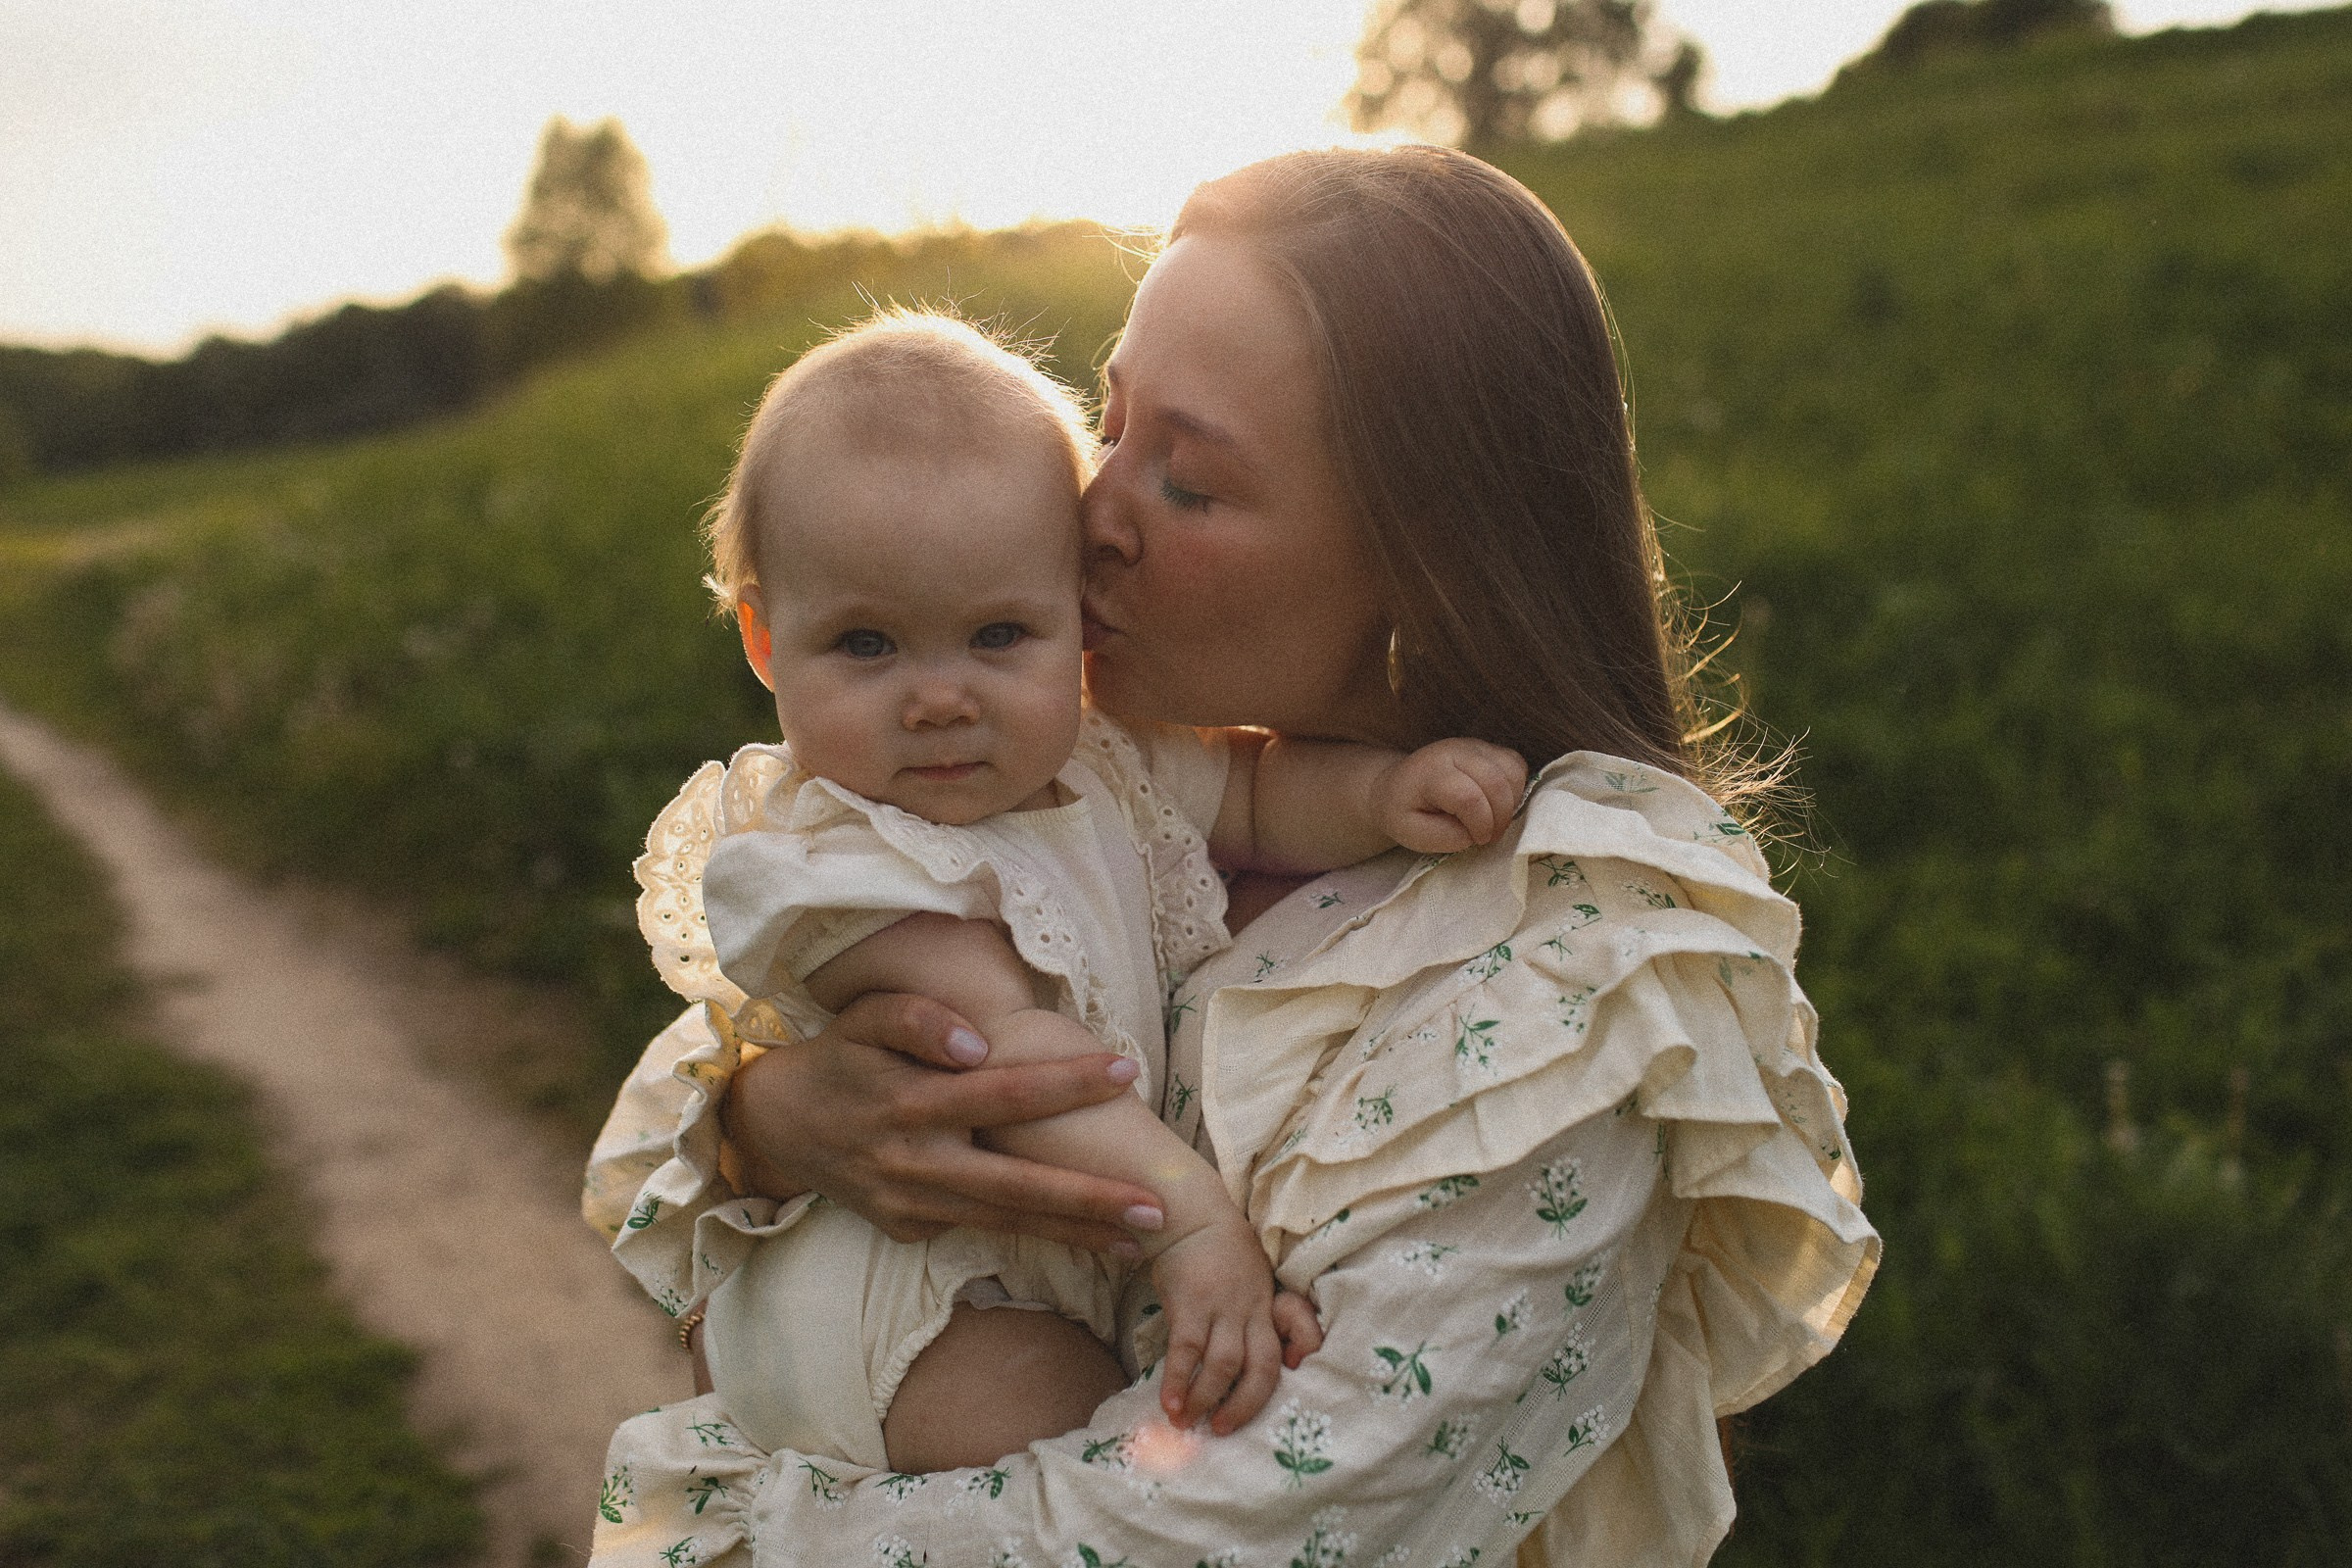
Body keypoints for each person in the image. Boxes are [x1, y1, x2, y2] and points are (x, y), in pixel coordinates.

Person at [585, 145, 1878, 1568]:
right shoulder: (1092, 791)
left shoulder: (1575, 986)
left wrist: (746, 1533)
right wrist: (774, 1118)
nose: (1093, 514)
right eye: (1112, 423)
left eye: (1186, 480)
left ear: (1429, 558)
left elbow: (1240, 1528)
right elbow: (692, 1107)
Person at [615, 309, 1528, 1482]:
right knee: (1086, 1434)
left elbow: (1250, 793)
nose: (940, 698)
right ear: (762, 640)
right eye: (865, 645)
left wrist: (1388, 791)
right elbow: (1012, 1058)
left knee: (1140, 1426)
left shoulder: (1101, 761)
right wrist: (1197, 1228)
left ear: (1077, 618)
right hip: (904, 1303)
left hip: (1044, 1264)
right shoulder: (831, 859)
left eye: (999, 633)